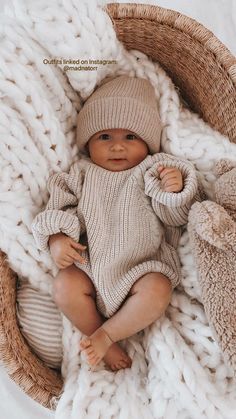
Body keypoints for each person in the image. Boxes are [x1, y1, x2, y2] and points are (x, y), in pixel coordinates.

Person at [32, 76, 199, 371]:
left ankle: (107, 335)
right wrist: (57, 239)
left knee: (159, 289)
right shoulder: (80, 174)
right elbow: (57, 207)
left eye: (130, 137)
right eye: (105, 137)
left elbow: (176, 219)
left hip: (141, 270)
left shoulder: (152, 169)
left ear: (148, 143)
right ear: (88, 143)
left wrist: (173, 190)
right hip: (90, 270)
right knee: (64, 286)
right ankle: (95, 330)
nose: (117, 147)